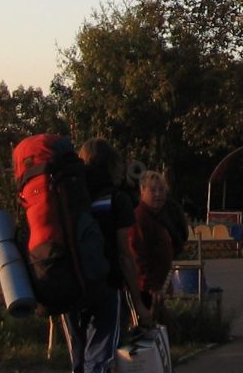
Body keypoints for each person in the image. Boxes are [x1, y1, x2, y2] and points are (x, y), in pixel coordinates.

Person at [66, 138, 147, 373]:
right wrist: (138, 302)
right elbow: (125, 255)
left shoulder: (69, 197)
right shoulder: (116, 199)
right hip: (106, 284)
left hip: (70, 284)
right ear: (112, 164)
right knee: (100, 359)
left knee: (79, 360)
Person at [128, 170, 176, 322]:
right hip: (145, 291)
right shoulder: (140, 218)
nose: (158, 195)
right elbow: (138, 256)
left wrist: (166, 282)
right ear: (142, 191)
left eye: (161, 190)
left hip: (156, 288)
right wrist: (152, 286)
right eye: (153, 190)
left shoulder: (156, 217)